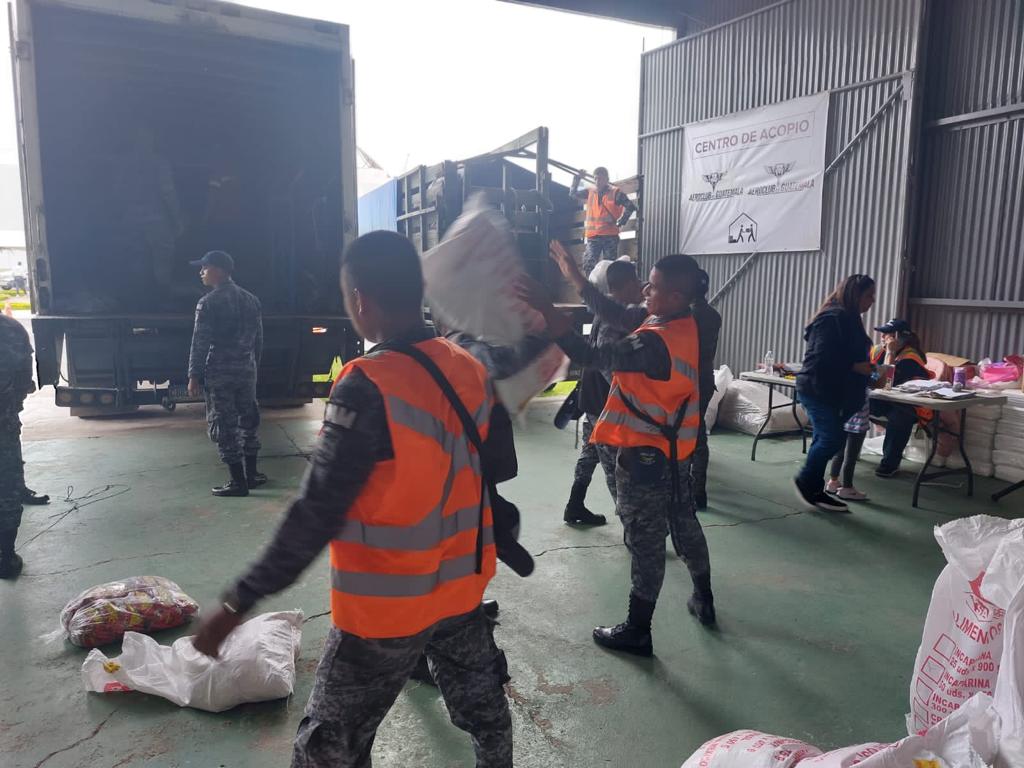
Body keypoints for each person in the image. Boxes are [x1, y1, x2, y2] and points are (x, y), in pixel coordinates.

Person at [193, 231, 514, 768]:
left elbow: (316, 511)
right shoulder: (467, 366)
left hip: (386, 608)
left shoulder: (367, 383)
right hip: (461, 588)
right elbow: (498, 466)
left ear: (360, 300)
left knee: (327, 749)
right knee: (486, 714)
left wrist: (237, 602)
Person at [522, 249, 714, 656]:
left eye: (653, 287)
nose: (645, 291)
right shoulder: (682, 321)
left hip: (645, 454)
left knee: (645, 541)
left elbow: (588, 356)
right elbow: (617, 312)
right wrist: (577, 280)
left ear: (675, 296)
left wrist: (547, 310)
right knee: (684, 522)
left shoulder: (654, 343)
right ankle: (704, 597)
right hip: (674, 451)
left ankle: (638, 630)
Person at [552, 248, 646, 525]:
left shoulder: (610, 310)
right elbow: (607, 365)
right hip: (605, 402)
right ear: (625, 285)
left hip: (593, 397)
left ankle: (575, 505)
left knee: (590, 452)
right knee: (615, 466)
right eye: (636, 281)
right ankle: (631, 525)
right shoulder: (615, 316)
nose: (641, 286)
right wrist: (626, 398)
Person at [794, 274, 876, 513]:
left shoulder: (849, 318)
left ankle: (816, 489)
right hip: (817, 389)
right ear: (855, 295)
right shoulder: (832, 318)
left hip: (835, 393)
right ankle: (806, 481)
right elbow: (823, 356)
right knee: (832, 438)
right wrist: (856, 366)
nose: (872, 301)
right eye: (869, 295)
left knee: (825, 438)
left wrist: (868, 370)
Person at [187, 250, 266, 497]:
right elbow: (258, 340)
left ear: (219, 271)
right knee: (248, 420)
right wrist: (253, 366)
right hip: (247, 370)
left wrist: (194, 375)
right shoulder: (251, 300)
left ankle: (237, 482)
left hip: (220, 372)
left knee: (223, 424)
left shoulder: (208, 303)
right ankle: (252, 475)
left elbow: (200, 341)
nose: (201, 272)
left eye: (205, 267)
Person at [0, 313, 37, 579]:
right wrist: (13, 406)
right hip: (2, 423)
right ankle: (6, 557)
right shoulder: (10, 329)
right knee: (7, 488)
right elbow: (25, 378)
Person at [869, 319, 930, 478]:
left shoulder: (911, 358)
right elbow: (871, 377)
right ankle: (843, 454)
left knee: (900, 417)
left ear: (899, 338)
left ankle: (889, 464)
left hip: (903, 404)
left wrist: (890, 353)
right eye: (882, 333)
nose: (882, 337)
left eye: (887, 334)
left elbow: (886, 384)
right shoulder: (878, 351)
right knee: (852, 401)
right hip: (879, 399)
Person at [690, 270, 721, 510]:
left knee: (677, 434)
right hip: (704, 379)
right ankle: (698, 490)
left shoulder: (684, 315)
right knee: (698, 433)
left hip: (684, 380)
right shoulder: (713, 315)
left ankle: (680, 487)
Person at [570, 168, 637, 274]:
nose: (597, 181)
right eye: (595, 178)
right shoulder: (590, 191)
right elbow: (573, 194)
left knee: (609, 267)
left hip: (610, 236)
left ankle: (608, 284)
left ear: (607, 179)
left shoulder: (615, 193)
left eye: (600, 178)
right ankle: (590, 284)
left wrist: (622, 221)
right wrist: (577, 178)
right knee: (589, 265)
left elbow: (630, 206)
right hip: (593, 236)